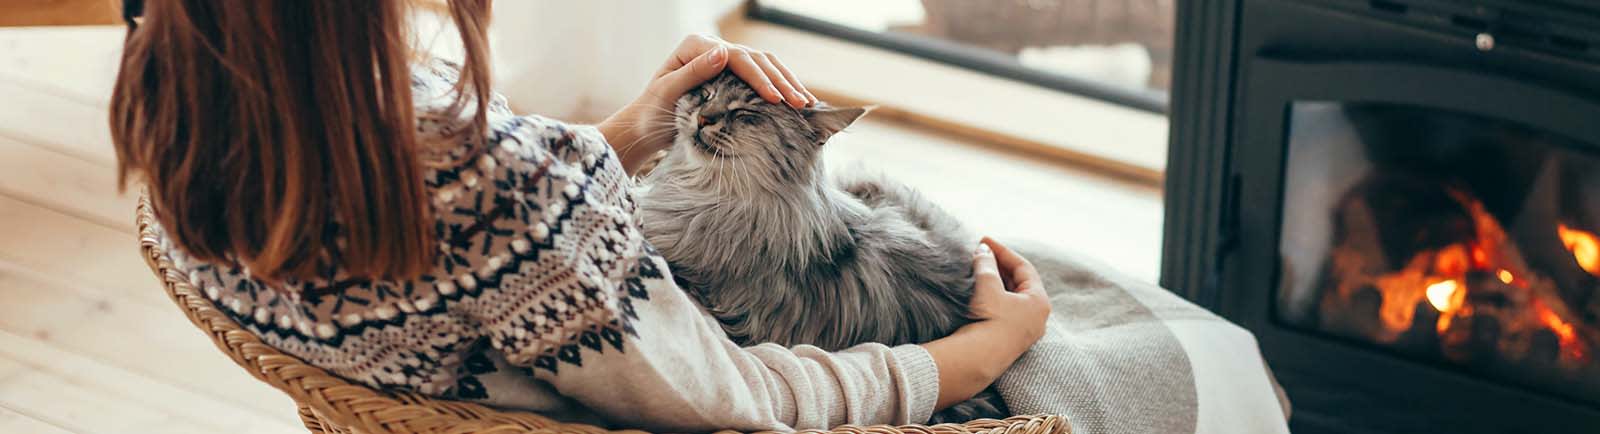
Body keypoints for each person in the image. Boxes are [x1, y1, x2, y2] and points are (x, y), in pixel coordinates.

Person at [111, 1, 1050, 431]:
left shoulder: (178, 96)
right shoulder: (513, 196)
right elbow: (738, 402)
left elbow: (464, 224)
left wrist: (625, 135)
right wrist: (974, 357)